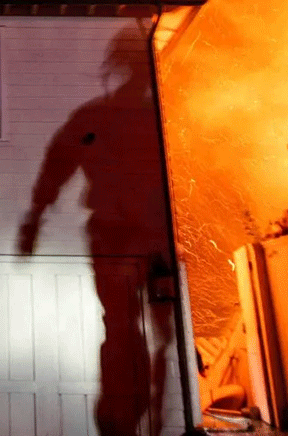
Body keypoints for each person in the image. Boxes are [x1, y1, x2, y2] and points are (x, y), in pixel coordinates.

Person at [18, 22, 175, 436]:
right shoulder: (111, 119)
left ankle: (133, 417)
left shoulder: (102, 118)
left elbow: (59, 162)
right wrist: (34, 216)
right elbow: (59, 162)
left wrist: (34, 217)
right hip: (127, 238)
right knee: (134, 328)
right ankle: (127, 418)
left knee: (139, 329)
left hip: (139, 240)